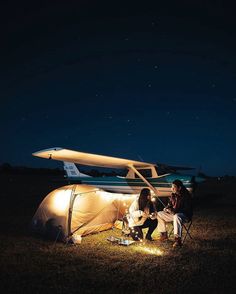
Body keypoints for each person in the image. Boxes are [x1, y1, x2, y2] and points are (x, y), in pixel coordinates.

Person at [157, 179, 193, 247]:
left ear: (179, 188)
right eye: (171, 187)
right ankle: (164, 234)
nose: (172, 189)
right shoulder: (173, 195)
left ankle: (177, 240)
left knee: (177, 216)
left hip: (185, 216)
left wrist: (174, 212)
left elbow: (187, 209)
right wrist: (166, 208)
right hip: (174, 214)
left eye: (174, 187)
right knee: (159, 214)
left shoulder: (186, 196)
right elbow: (170, 204)